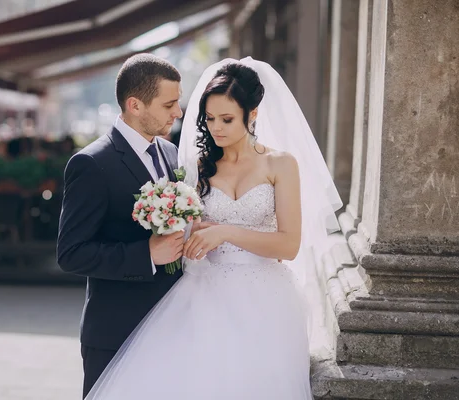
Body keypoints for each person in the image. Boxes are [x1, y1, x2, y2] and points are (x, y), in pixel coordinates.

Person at [82, 58, 343, 399]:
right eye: (210, 118)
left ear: (253, 115)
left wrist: (225, 232)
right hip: (201, 294)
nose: (216, 128)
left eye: (227, 119)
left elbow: (288, 245)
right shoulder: (196, 167)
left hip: (267, 300)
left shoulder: (280, 164)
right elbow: (185, 228)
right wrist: (185, 232)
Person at [56, 53, 185, 398]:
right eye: (169, 103)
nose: (178, 112)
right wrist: (146, 254)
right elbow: (71, 254)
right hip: (116, 334)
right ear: (135, 105)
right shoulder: (91, 164)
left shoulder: (172, 155)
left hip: (171, 330)